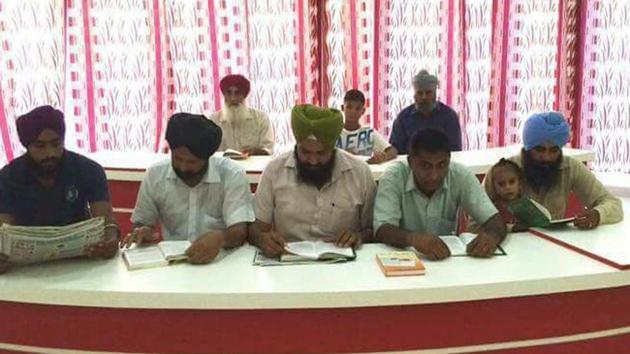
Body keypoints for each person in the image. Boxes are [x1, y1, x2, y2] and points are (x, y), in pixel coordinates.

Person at [0, 106, 119, 273]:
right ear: (26, 146)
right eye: (40, 146)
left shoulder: (88, 169)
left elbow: (106, 222)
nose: (50, 153)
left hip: (82, 266)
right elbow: (3, 232)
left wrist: (110, 240)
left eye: (56, 144)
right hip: (26, 271)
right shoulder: (8, 177)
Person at [122, 113, 254, 264]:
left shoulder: (232, 174)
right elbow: (142, 222)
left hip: (222, 262)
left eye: (191, 162)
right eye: (177, 159)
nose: (183, 167)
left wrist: (220, 238)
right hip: (173, 263)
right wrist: (143, 232)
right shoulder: (155, 175)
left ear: (207, 157)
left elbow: (239, 231)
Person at [248, 104, 377, 258]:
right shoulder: (274, 171)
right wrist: (263, 240)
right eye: (305, 152)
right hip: (288, 262)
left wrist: (359, 237)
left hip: (344, 264)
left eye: (321, 153)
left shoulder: (360, 172)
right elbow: (256, 228)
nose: (313, 161)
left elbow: (374, 229)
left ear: (333, 147)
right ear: (297, 144)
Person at [374, 128, 506, 260]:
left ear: (449, 160)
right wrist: (413, 238)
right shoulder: (393, 177)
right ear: (410, 162)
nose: (434, 175)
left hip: (445, 262)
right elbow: (382, 229)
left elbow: (495, 221)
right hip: (400, 260)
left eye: (442, 165)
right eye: (425, 166)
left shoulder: (460, 175)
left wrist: (491, 237)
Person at [483, 112, 623, 230]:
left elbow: (613, 203)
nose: (546, 158)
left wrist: (597, 215)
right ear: (528, 148)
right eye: (539, 149)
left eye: (554, 150)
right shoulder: (503, 172)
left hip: (555, 248)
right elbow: (475, 221)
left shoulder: (570, 167)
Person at [389, 70, 462, 153]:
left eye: (428, 93)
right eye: (420, 93)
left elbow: (455, 150)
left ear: (435, 94)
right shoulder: (403, 118)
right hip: (411, 165)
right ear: (414, 95)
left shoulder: (449, 116)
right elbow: (395, 148)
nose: (424, 97)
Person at [209, 74, 274, 155]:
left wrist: (255, 152)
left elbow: (268, 148)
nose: (233, 98)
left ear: (244, 95)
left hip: (253, 166)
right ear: (224, 94)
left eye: (237, 93)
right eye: (229, 93)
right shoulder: (213, 120)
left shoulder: (260, 118)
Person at [335, 89, 398, 164]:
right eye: (349, 107)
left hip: (363, 172)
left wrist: (382, 157)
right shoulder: (335, 132)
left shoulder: (369, 132)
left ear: (363, 111)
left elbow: (393, 151)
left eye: (358, 108)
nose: (353, 111)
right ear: (342, 108)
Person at [485, 158, 527, 232]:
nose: (507, 187)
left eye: (512, 182)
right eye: (501, 184)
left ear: (520, 183)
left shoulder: (527, 205)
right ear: (494, 187)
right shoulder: (492, 210)